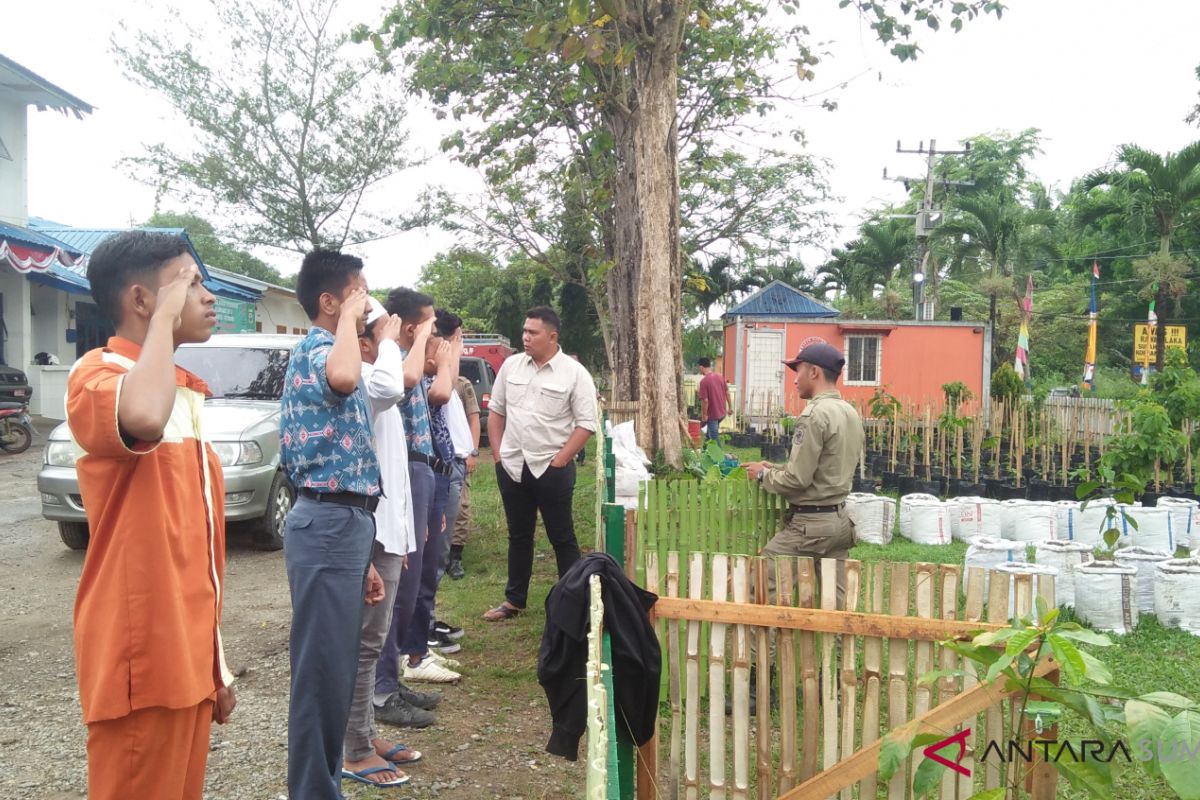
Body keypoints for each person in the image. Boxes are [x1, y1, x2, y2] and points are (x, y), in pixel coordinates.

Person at [67, 231, 236, 800]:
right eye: (192, 283)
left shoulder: (183, 391)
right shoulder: (100, 374)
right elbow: (141, 415)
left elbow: (195, 551)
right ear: (142, 301)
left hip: (185, 655)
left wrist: (215, 664)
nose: (209, 296)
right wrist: (165, 321)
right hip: (141, 659)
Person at [279, 249, 386, 799]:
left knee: (335, 670)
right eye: (359, 292)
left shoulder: (332, 345)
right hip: (327, 522)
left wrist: (365, 557)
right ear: (330, 301)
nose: (369, 303)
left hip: (344, 523)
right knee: (320, 675)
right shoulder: (320, 347)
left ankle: (322, 788)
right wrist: (349, 318)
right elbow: (344, 379)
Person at [340, 298, 432, 788]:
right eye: (382, 335)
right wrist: (392, 339)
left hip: (388, 529)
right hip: (372, 533)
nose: (391, 342)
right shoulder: (366, 382)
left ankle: (364, 733)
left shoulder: (375, 384)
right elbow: (395, 381)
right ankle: (353, 747)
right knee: (364, 642)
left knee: (372, 644)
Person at [483, 306, 598, 622]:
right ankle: (514, 601)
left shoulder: (574, 373)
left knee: (562, 538)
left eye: (532, 332)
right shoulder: (511, 366)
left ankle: (572, 604)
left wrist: (560, 460)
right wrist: (498, 456)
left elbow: (587, 423)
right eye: (524, 331)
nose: (525, 337)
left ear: (552, 336)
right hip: (513, 466)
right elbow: (497, 411)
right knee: (518, 536)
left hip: (552, 469)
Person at [374, 288, 462, 692]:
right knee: (403, 578)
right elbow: (423, 384)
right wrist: (434, 350)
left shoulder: (406, 358)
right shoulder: (394, 359)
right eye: (428, 325)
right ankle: (390, 674)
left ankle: (400, 665)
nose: (435, 336)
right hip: (408, 469)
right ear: (413, 327)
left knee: (417, 573)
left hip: (424, 470)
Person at [744, 343, 863, 607]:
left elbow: (798, 480)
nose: (794, 379)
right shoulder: (849, 412)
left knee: (763, 581)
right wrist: (773, 468)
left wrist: (764, 476)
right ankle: (840, 649)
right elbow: (824, 470)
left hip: (812, 524)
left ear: (814, 372)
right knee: (837, 603)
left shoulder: (814, 414)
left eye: (797, 371)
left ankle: (763, 649)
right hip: (841, 520)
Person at [444, 348, 481, 581]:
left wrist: (472, 452)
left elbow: (474, 417)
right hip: (438, 455)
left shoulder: (461, 384)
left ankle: (455, 556)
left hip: (460, 454)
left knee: (461, 505)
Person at [697, 356, 730, 442]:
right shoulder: (720, 376)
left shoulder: (704, 382)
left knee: (714, 438)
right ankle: (704, 453)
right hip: (722, 413)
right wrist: (730, 408)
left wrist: (704, 415)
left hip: (713, 415)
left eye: (699, 368)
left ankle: (721, 456)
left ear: (701, 367)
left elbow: (705, 401)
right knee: (709, 436)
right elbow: (728, 393)